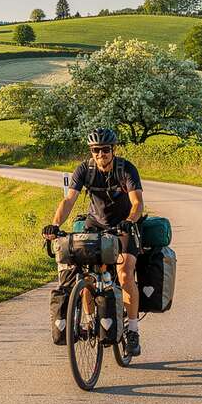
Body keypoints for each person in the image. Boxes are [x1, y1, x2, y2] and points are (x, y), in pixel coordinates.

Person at [43, 127, 144, 356]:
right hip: (95, 224)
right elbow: (69, 200)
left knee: (125, 273)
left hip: (124, 225)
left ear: (113, 150)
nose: (101, 155)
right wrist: (55, 225)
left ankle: (133, 330)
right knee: (85, 275)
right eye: (96, 150)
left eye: (105, 150)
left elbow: (137, 202)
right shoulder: (84, 169)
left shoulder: (126, 169)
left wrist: (130, 220)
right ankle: (90, 321)